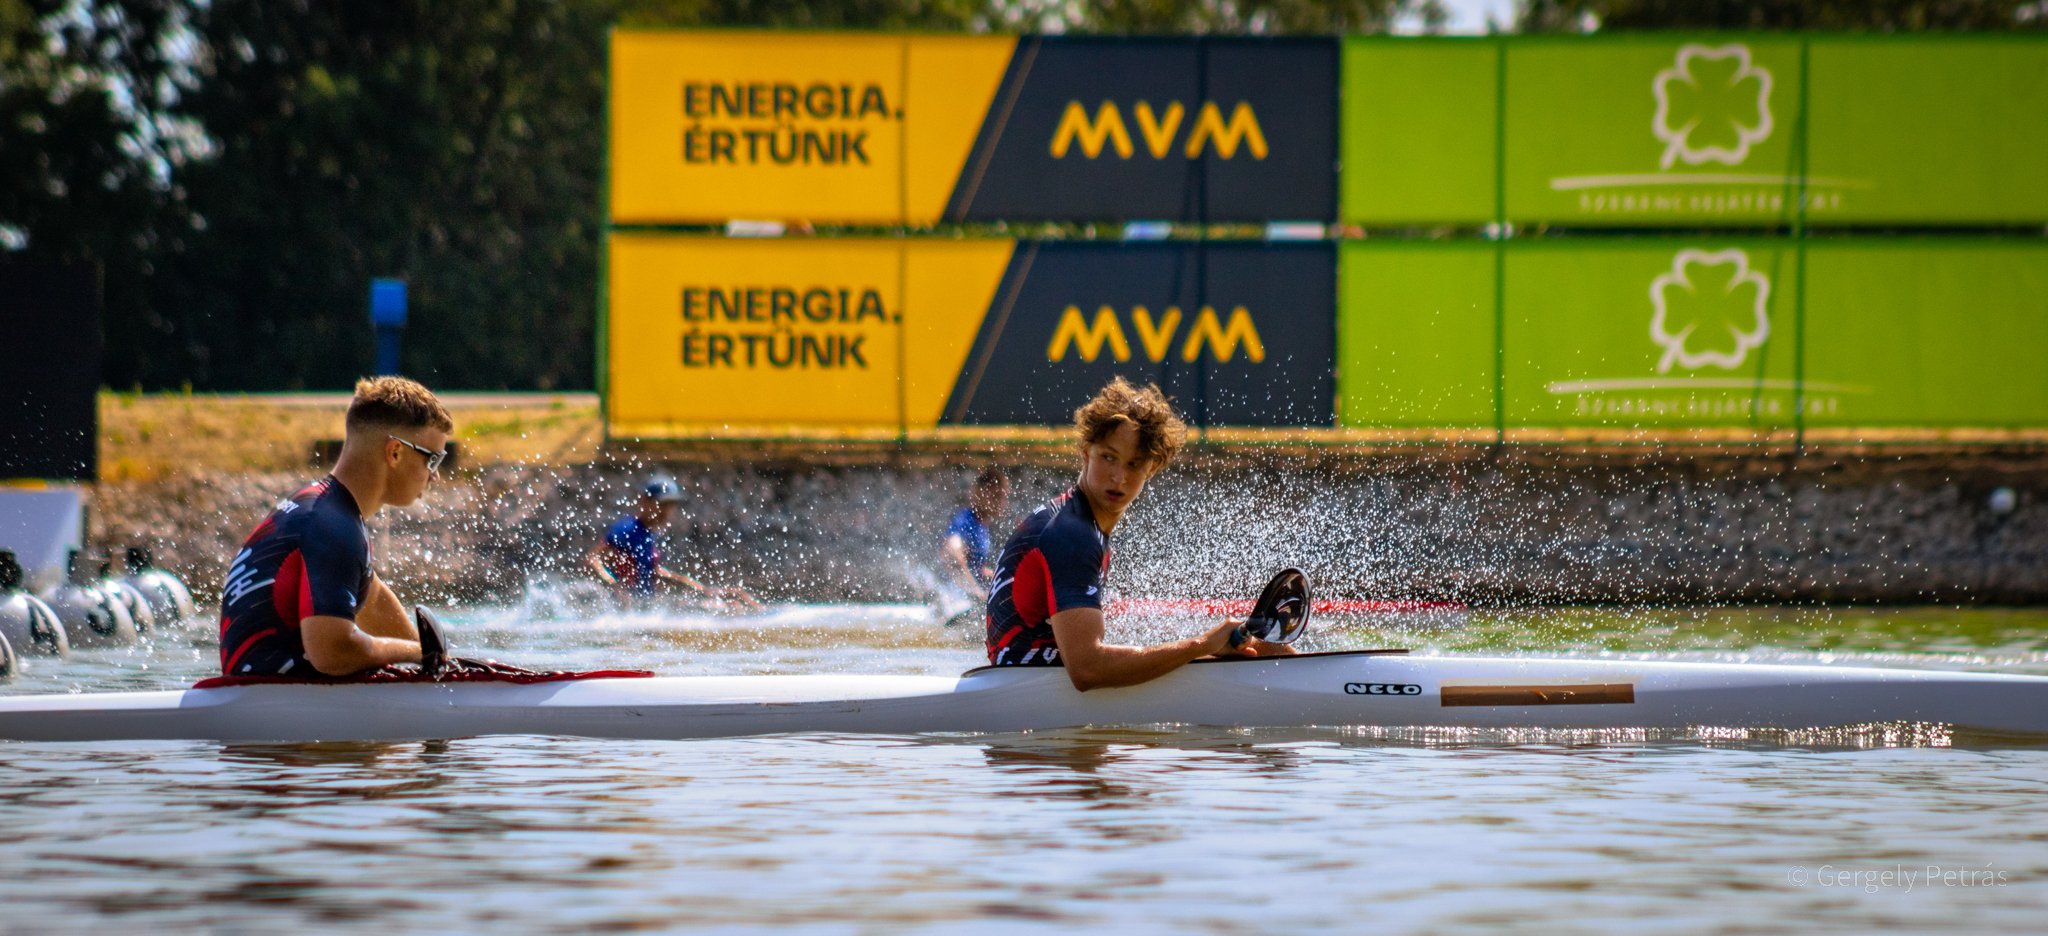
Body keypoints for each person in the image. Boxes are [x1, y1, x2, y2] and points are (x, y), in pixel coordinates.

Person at [984, 378, 1294, 689]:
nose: (1119, 477)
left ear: (1153, 468)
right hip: (1030, 690)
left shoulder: (1077, 520)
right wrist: (1202, 645)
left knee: (1260, 649)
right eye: (1108, 457)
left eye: (1134, 464)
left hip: (1026, 680)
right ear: (1085, 451)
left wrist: (1211, 650)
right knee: (1246, 653)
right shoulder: (1072, 535)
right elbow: (1087, 670)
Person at [218, 377, 451, 677]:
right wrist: (419, 653)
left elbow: (374, 601)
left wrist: (437, 663)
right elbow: (332, 652)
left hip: (264, 697)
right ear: (395, 452)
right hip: (276, 708)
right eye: (432, 460)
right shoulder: (333, 528)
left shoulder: (319, 508)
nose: (436, 477)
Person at [584, 476, 762, 610]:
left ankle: (765, 614)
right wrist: (614, 585)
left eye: (671, 505)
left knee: (734, 597)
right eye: (662, 504)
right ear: (645, 502)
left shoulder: (647, 533)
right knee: (728, 608)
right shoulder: (627, 529)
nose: (667, 511)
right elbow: (592, 559)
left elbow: (652, 572)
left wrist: (702, 588)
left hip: (646, 605)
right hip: (630, 608)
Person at [941, 465, 1010, 605]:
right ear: (979, 493)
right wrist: (975, 592)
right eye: (996, 496)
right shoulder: (965, 521)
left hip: (964, 599)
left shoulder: (981, 527)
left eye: (1004, 497)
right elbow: (951, 553)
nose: (1002, 503)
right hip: (954, 602)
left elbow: (975, 567)